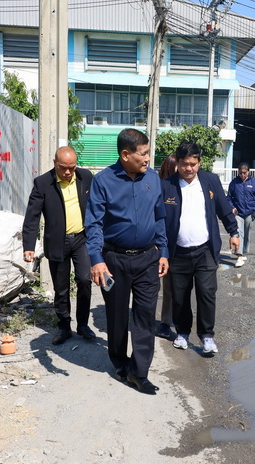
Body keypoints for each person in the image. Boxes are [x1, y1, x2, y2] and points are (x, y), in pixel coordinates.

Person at [85, 128, 169, 394]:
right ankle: (120, 363)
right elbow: (94, 224)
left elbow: (159, 217)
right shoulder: (103, 181)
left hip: (147, 259)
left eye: (148, 153)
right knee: (117, 316)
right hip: (114, 261)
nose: (148, 158)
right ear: (125, 154)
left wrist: (164, 250)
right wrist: (97, 260)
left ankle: (139, 372)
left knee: (145, 316)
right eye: (143, 154)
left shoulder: (153, 178)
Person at [162, 141, 239, 355]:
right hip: (178, 252)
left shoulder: (210, 181)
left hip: (205, 250)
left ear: (199, 162)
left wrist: (233, 232)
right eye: (184, 164)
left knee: (207, 294)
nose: (189, 168)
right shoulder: (167, 186)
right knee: (180, 297)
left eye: (193, 164)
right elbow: (159, 220)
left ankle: (207, 336)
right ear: (177, 163)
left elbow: (224, 208)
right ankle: (182, 332)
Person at [22, 146, 95, 345]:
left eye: (72, 167)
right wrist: (29, 246)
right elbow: (32, 216)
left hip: (81, 239)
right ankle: (64, 326)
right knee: (61, 288)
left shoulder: (86, 177)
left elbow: (97, 205)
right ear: (55, 163)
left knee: (85, 280)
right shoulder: (43, 183)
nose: (68, 172)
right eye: (63, 167)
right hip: (57, 242)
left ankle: (83, 324)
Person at [156, 154, 178, 339]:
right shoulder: (161, 187)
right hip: (162, 246)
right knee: (164, 287)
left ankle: (175, 320)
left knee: (177, 288)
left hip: (181, 246)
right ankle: (164, 322)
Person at [228, 162, 255, 268]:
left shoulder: (253, 182)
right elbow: (228, 198)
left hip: (250, 213)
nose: (242, 175)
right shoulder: (234, 183)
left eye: (244, 173)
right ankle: (239, 256)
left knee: (247, 233)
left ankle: (243, 252)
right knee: (239, 233)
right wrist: (232, 208)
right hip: (238, 213)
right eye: (240, 173)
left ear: (248, 172)